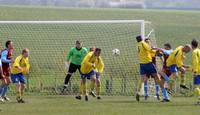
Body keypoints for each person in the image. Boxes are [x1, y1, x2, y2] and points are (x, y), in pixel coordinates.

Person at [135, 35, 170, 102]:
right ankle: (165, 95)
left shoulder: (138, 45)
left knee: (143, 79)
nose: (148, 43)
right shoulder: (144, 44)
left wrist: (158, 52)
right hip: (149, 64)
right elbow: (151, 49)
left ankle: (138, 92)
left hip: (142, 64)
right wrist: (155, 49)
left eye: (148, 42)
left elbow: (157, 53)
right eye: (147, 41)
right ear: (143, 40)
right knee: (157, 78)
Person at [191, 39, 200, 105]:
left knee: (196, 87)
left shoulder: (194, 52)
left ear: (192, 45)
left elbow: (196, 62)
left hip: (198, 71)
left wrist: (195, 71)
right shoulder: (199, 50)